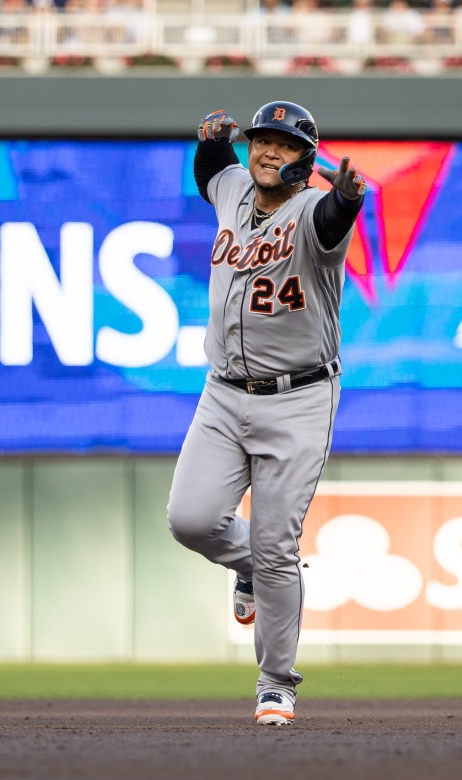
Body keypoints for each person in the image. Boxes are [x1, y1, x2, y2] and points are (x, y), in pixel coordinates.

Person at [168, 101, 366, 726]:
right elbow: (212, 173)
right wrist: (212, 142)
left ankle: (276, 681)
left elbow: (335, 218)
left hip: (300, 397)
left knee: (279, 543)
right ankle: (251, 565)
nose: (268, 152)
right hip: (224, 392)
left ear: (306, 157)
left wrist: (349, 198)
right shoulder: (233, 188)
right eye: (262, 141)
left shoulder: (313, 211)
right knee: (191, 520)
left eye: (284, 144)